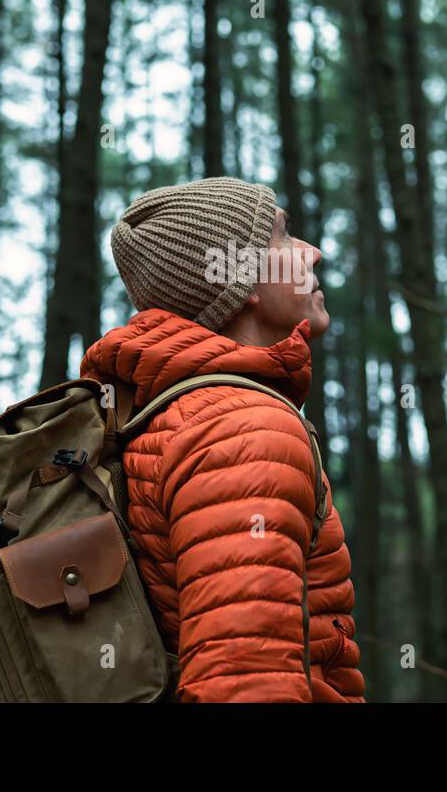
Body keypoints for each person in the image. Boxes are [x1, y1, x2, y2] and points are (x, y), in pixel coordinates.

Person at [80, 176, 365, 702]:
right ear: (243, 280)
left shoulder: (167, 418)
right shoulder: (244, 430)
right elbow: (246, 681)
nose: (313, 253)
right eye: (282, 238)